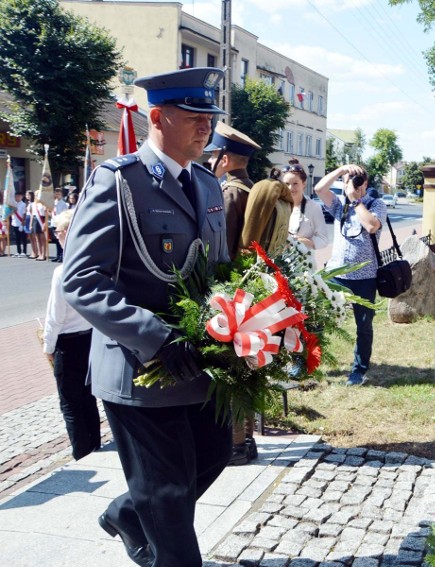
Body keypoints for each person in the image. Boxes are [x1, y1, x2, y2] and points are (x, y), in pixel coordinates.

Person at [62, 67, 232, 567]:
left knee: (214, 454)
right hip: (139, 368)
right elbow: (80, 280)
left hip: (197, 362)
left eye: (210, 117)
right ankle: (154, 525)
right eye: (195, 116)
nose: (207, 127)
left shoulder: (206, 184)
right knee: (169, 499)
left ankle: (127, 513)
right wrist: (154, 337)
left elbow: (217, 271)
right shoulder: (119, 183)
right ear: (157, 117)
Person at [204, 122, 262, 467]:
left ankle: (236, 445)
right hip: (256, 290)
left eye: (215, 155)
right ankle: (248, 439)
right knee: (249, 366)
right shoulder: (253, 188)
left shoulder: (230, 193)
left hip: (234, 290)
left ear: (224, 159)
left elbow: (221, 249)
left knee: (232, 369)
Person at [315, 164, 386, 386]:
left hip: (365, 277)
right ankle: (307, 361)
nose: (352, 185)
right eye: (348, 181)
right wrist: (340, 171)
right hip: (336, 273)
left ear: (366, 184)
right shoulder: (340, 206)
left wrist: (356, 201)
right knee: (314, 317)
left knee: (363, 327)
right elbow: (319, 189)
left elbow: (371, 226)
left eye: (357, 181)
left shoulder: (377, 204)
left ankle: (358, 370)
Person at [42, 209, 100, 459]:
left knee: (70, 403)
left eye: (59, 230)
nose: (56, 234)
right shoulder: (91, 262)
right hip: (89, 338)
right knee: (87, 398)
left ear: (69, 232)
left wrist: (47, 346)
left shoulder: (62, 271)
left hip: (67, 342)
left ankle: (82, 452)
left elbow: (55, 316)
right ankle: (95, 445)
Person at [205, 121, 261, 261]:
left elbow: (224, 246)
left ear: (224, 160)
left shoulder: (229, 193)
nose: (210, 161)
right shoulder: (250, 187)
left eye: (212, 155)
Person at [282, 159, 329, 269]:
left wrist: (298, 241)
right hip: (279, 264)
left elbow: (323, 240)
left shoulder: (313, 207)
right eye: (287, 184)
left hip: (303, 267)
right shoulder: (279, 206)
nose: (290, 188)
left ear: (304, 184)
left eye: (295, 184)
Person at [241, 172, 294, 257]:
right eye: (287, 183)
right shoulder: (286, 201)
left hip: (258, 258)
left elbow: (250, 233)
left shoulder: (263, 190)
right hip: (272, 259)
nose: (291, 187)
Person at [26, 190, 48, 260]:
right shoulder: (33, 204)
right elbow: (32, 214)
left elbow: (46, 214)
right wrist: (30, 224)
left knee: (42, 239)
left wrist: (45, 223)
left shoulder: (44, 204)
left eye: (38, 195)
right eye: (35, 195)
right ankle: (39, 253)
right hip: (35, 220)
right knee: (37, 238)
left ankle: (44, 254)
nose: (36, 196)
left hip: (41, 220)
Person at [49, 188, 69, 262]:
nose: (57, 195)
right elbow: (51, 214)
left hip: (60, 223)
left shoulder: (64, 204)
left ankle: (62, 255)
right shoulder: (53, 203)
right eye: (56, 194)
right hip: (54, 223)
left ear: (61, 194)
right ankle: (58, 255)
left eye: (58, 194)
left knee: (60, 240)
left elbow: (64, 214)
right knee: (56, 240)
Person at [11, 193, 27, 257]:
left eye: (19, 196)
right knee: (17, 238)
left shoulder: (23, 204)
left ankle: (24, 252)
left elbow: (24, 214)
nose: (17, 197)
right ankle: (18, 251)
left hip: (21, 223)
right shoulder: (13, 204)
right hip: (15, 222)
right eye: (16, 196)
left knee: (23, 238)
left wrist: (22, 224)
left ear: (22, 197)